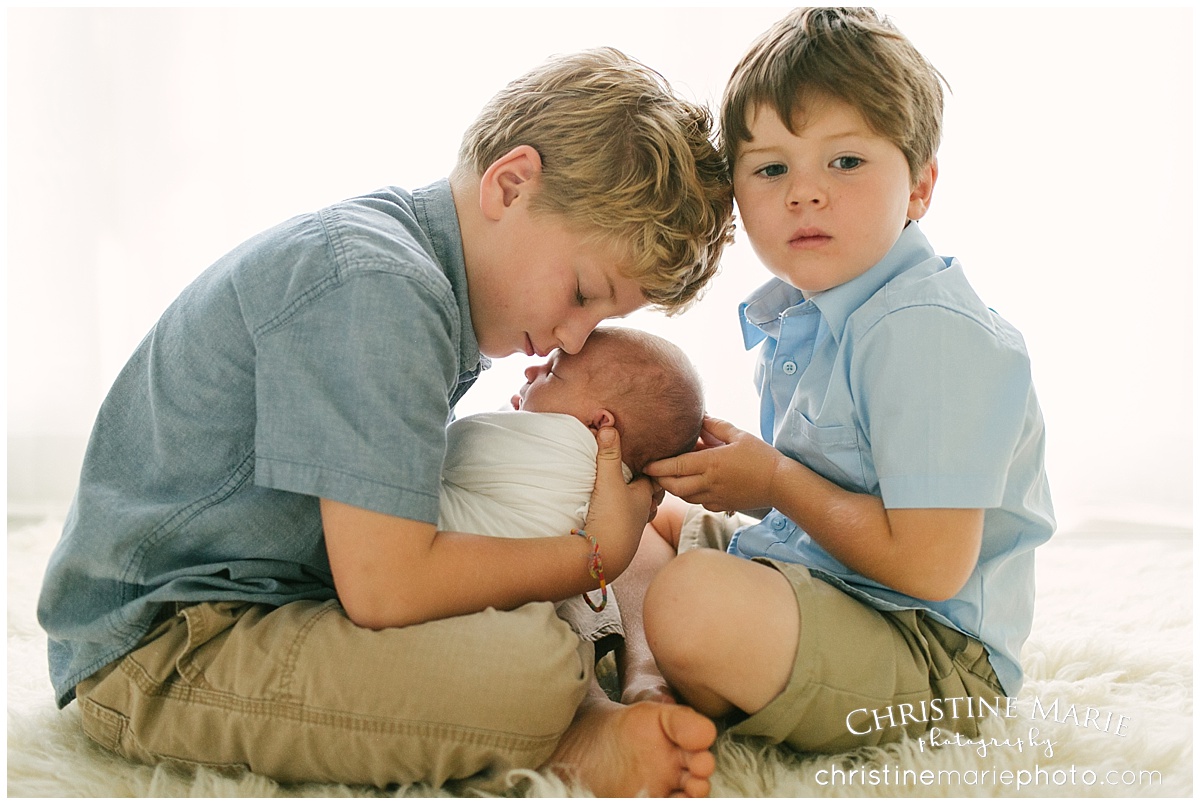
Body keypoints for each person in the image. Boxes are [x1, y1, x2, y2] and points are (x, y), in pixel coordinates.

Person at [36, 48, 734, 797]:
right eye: (582, 292)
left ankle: (629, 685)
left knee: (534, 583)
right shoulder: (382, 290)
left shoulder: (412, 276)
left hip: (277, 595)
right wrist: (589, 555)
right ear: (510, 183)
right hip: (164, 649)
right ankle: (570, 736)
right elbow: (387, 587)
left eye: (602, 317)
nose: (572, 337)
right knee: (533, 664)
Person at [631, 7, 1056, 755]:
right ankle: (654, 673)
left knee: (692, 601)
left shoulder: (925, 328)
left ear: (920, 187)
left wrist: (774, 480)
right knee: (637, 521)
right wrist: (744, 474)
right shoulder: (815, 311)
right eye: (771, 169)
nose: (804, 193)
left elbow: (927, 565)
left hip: (933, 649)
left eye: (845, 162)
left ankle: (669, 666)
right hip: (829, 574)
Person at [440, 326, 703, 656]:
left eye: (551, 373)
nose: (531, 370)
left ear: (599, 424)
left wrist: (511, 417)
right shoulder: (618, 492)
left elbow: (454, 445)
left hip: (446, 551)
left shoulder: (570, 444)